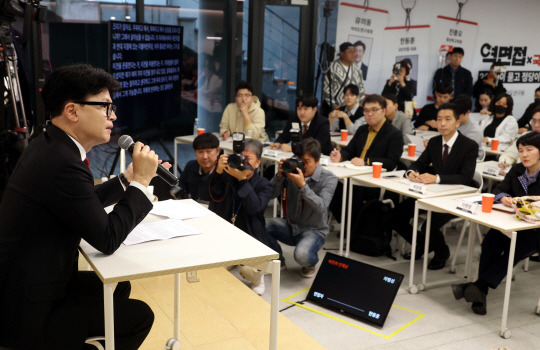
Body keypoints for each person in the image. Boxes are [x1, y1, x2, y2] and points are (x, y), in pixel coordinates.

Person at [0, 64, 156, 349]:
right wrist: (142, 184)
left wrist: (128, 178)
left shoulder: (51, 145)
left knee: (118, 287)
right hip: (27, 309)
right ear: (72, 111)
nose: (113, 116)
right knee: (139, 316)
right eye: (105, 108)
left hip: (29, 283)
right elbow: (107, 238)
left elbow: (81, 203)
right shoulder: (62, 162)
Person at [451, 131, 540, 315]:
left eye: (529, 150)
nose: (523, 155)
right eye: (521, 150)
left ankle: (478, 287)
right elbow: (500, 188)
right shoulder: (517, 170)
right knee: (491, 241)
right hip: (512, 221)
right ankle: (478, 292)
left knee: (517, 247)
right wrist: (504, 197)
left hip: (535, 230)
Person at [391, 103, 478, 270]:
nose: (442, 124)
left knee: (428, 225)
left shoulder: (468, 146)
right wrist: (411, 173)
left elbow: (466, 177)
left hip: (454, 197)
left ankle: (441, 251)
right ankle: (423, 245)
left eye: (447, 119)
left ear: (457, 123)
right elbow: (419, 164)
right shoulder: (434, 142)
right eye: (439, 119)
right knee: (395, 216)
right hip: (430, 194)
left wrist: (437, 178)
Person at [208, 139, 273, 295]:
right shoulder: (227, 177)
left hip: (252, 240)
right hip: (227, 239)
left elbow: (254, 208)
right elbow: (211, 198)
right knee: (209, 270)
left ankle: (258, 278)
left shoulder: (264, 184)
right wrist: (217, 173)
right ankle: (232, 261)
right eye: (240, 157)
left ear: (257, 163)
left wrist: (243, 180)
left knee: (249, 271)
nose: (242, 162)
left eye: (247, 159)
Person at [265, 138, 338, 278]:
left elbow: (322, 207)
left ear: (317, 161)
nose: (301, 166)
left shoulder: (329, 178)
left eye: (306, 162)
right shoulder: (291, 170)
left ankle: (310, 263)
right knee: (260, 225)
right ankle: (278, 261)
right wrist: (279, 176)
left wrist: (303, 186)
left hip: (313, 230)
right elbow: (270, 195)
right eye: (299, 160)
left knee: (302, 255)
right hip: (290, 225)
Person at [328, 94, 404, 223]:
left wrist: (366, 161)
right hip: (354, 175)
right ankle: (349, 225)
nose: (369, 114)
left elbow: (391, 162)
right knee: (330, 186)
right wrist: (340, 156)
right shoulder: (362, 130)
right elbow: (349, 150)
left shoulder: (394, 134)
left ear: (384, 111)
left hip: (375, 181)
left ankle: (354, 230)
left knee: (352, 191)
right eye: (366, 111)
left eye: (374, 110)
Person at [323, 42, 365, 116]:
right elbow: (326, 89)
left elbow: (361, 86)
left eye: (354, 52)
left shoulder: (357, 68)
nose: (353, 54)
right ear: (342, 54)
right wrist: (334, 105)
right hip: (337, 109)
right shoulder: (332, 68)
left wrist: (361, 102)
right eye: (350, 52)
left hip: (353, 110)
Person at [178, 133, 220, 202]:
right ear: (195, 151)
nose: (204, 157)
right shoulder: (191, 166)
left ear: (217, 151)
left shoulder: (223, 171)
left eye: (209, 151)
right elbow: (180, 189)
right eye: (200, 152)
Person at [453, 94, 484, 160]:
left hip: (469, 163)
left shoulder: (475, 131)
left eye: (458, 114)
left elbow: (461, 152)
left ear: (468, 112)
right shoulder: (451, 123)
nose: (455, 117)